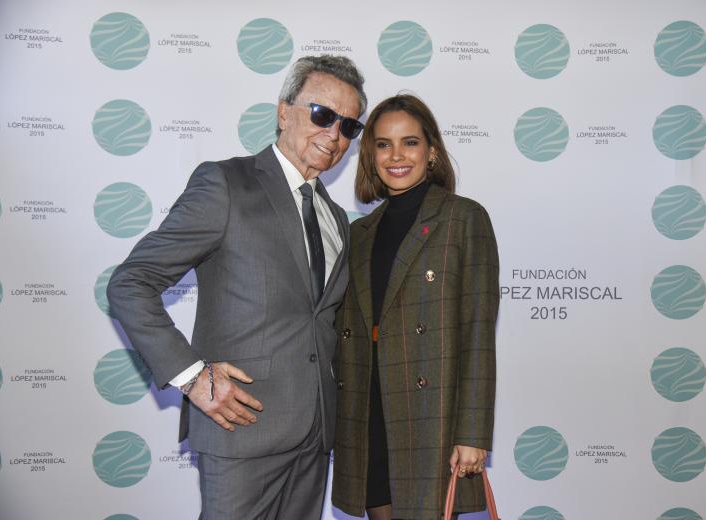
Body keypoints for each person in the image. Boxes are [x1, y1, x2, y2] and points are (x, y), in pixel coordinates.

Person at [106, 55, 367, 520]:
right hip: (240, 428)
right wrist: (192, 376)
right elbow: (132, 282)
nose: (334, 134)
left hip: (315, 436)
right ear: (283, 111)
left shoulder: (337, 219)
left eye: (349, 126)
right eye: (322, 115)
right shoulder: (225, 184)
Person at [331, 94, 499, 520]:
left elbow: (478, 335)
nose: (396, 156)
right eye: (383, 144)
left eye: (410, 142)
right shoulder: (360, 232)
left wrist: (473, 434)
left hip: (431, 414)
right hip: (368, 412)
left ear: (432, 151)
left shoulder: (464, 219)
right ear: (370, 154)